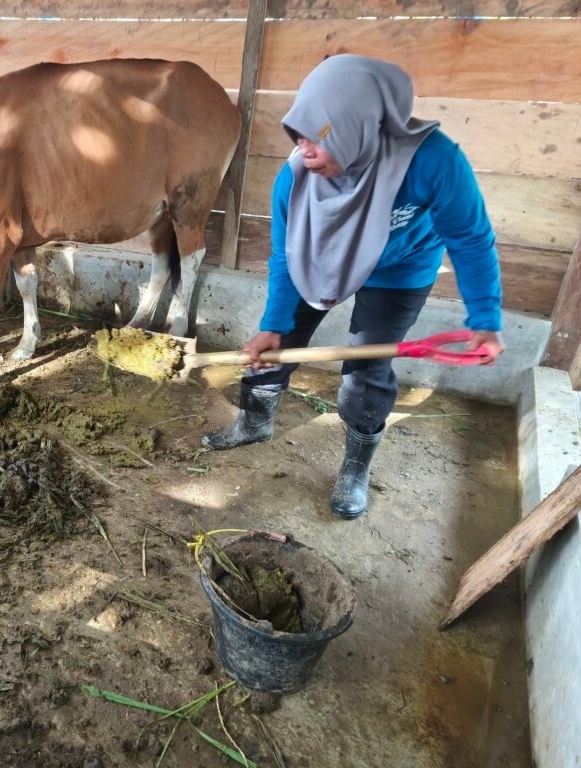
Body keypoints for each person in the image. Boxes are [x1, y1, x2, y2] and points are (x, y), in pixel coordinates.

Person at [202, 54, 503, 520]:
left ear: (360, 126)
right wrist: (273, 323)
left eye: (318, 137)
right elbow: (284, 257)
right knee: (276, 342)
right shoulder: (296, 178)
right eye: (299, 135)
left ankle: (355, 468)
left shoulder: (435, 161)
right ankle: (254, 422)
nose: (305, 150)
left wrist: (485, 318)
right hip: (322, 260)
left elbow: (470, 238)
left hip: (398, 271)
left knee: (367, 369)